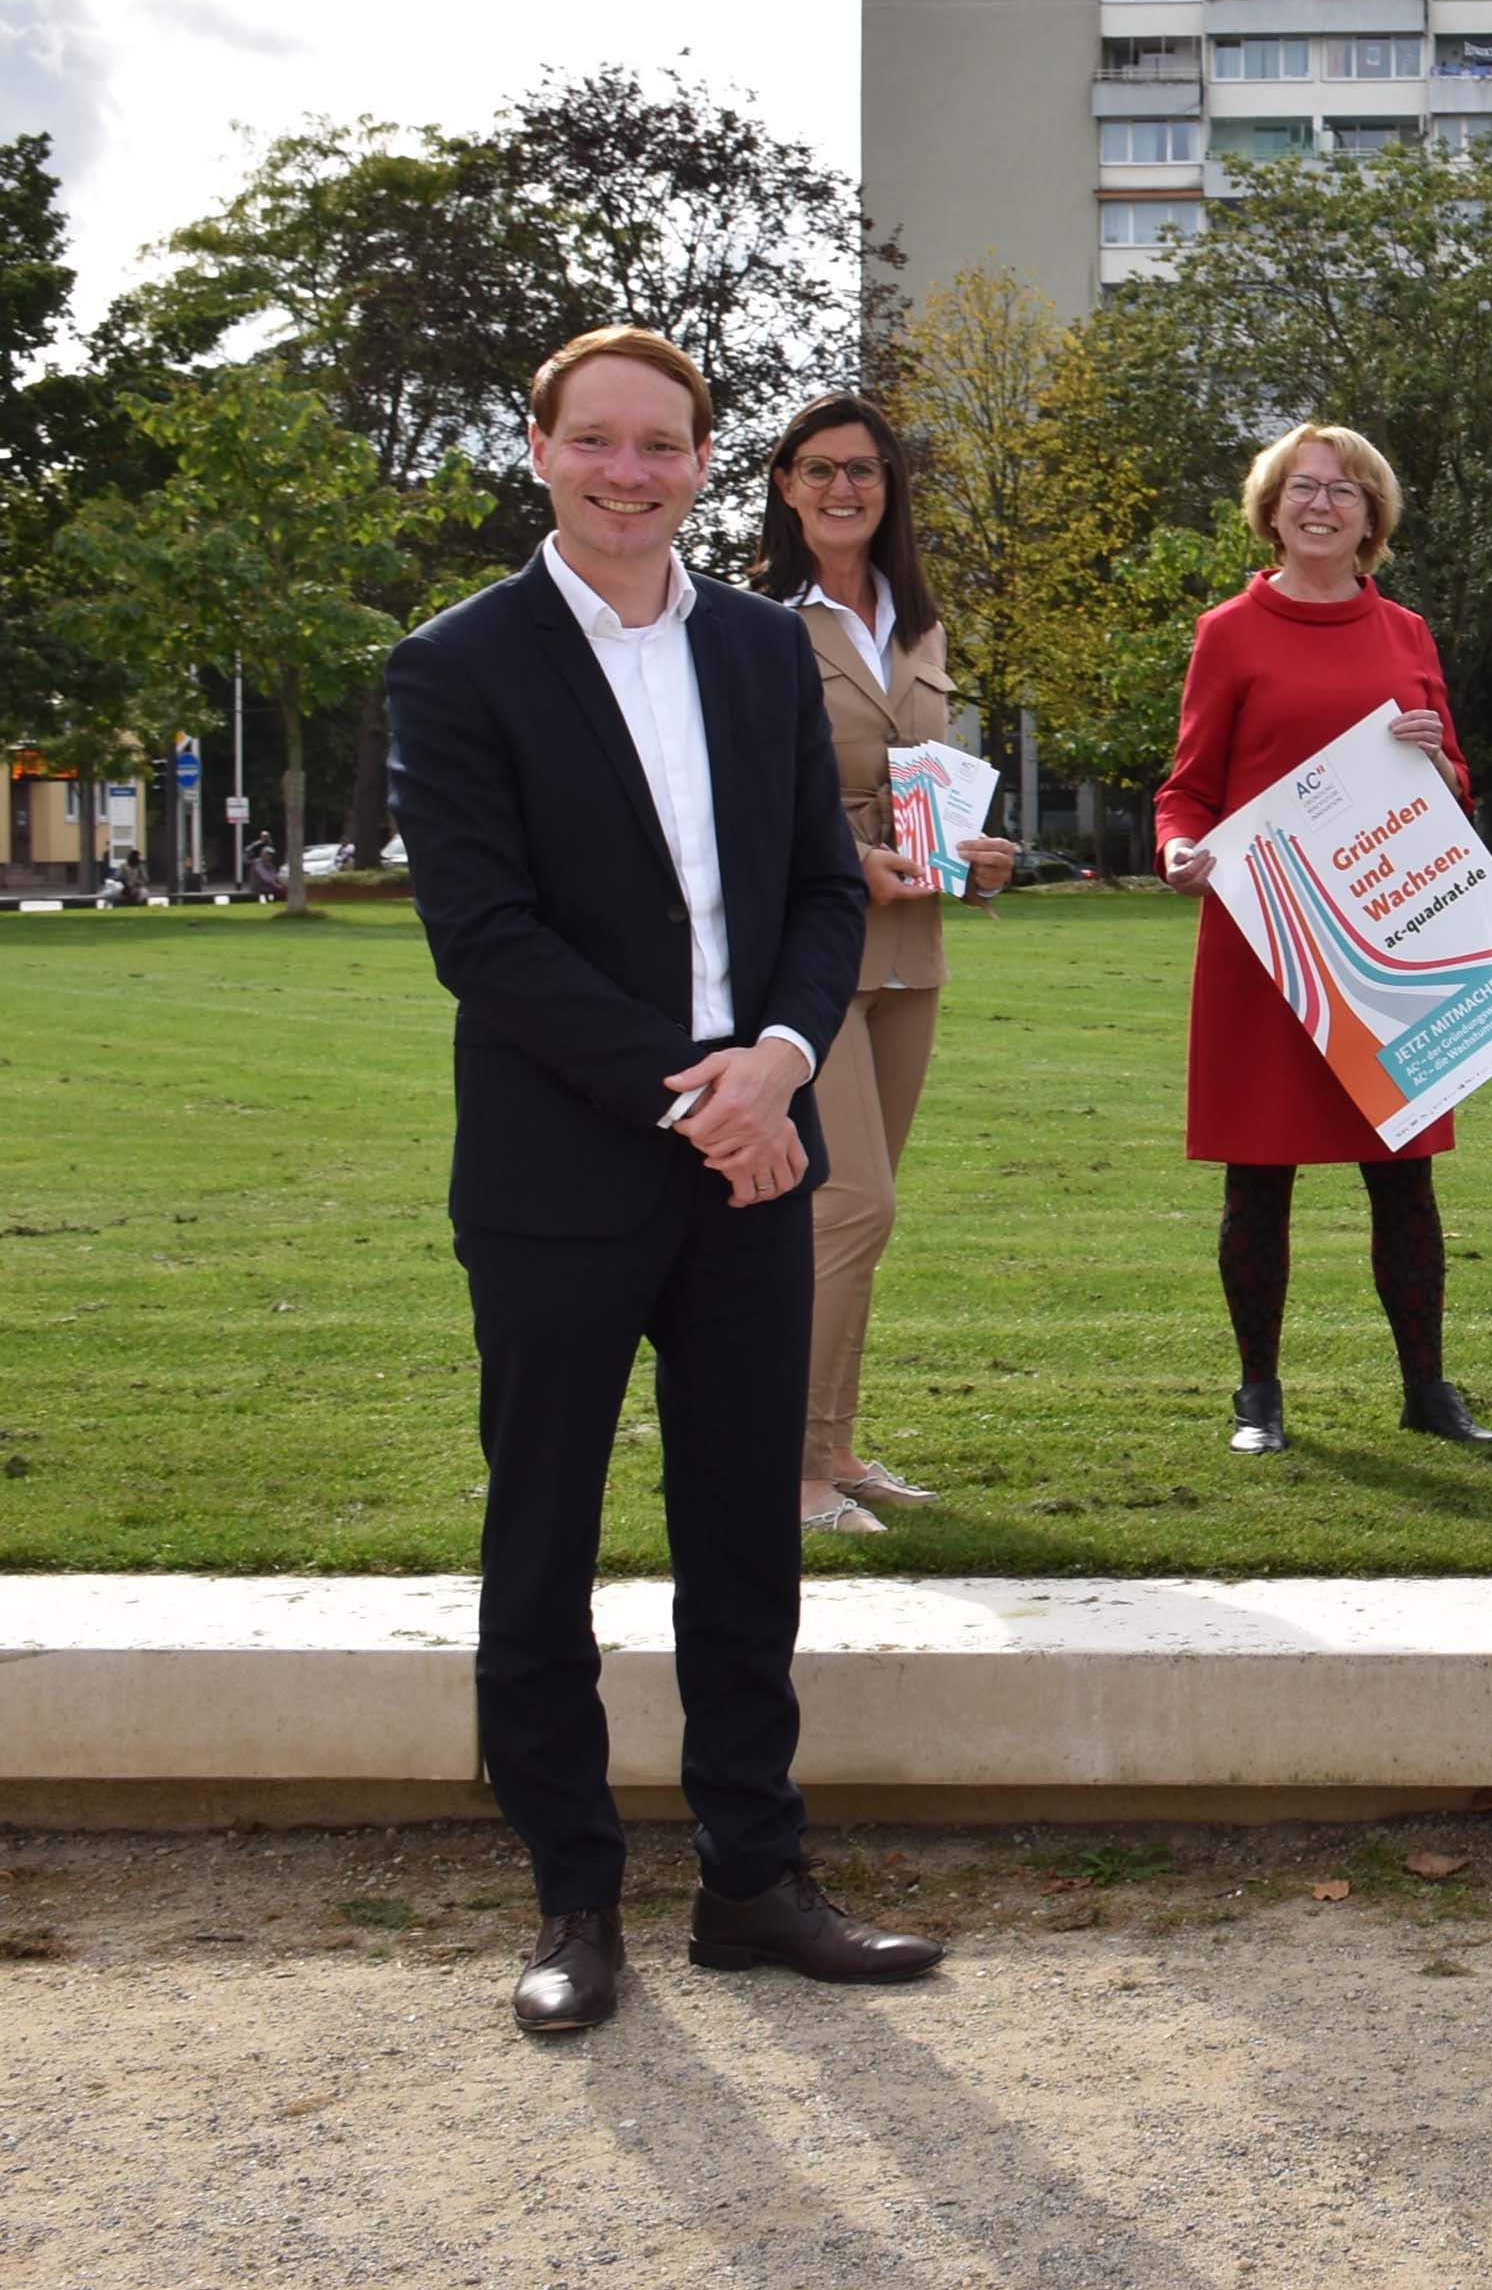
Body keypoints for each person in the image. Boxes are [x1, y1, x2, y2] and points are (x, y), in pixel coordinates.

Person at [383, 325, 942, 2038]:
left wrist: (779, 1053)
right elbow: (483, 938)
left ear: (706, 459)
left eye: (663, 442)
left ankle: (754, 1881)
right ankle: (572, 1898)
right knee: (541, 1539)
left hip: (762, 1141)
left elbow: (816, 888)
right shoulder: (458, 662)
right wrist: (696, 1093)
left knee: (741, 1542)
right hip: (570, 1163)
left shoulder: (766, 649)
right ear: (540, 446)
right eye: (597, 441)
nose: (630, 472)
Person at [1153, 423, 1492, 1456]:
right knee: (1258, 1175)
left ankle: (1426, 1388)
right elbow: (1188, 789)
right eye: (1301, 487)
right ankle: (1257, 1393)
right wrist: (1177, 849)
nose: (1321, 502)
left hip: (1386, 937)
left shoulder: (1408, 632)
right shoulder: (1228, 631)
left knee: (1405, 1177)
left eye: (1345, 489)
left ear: (1372, 515)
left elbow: (1455, 788)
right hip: (1265, 943)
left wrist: (1439, 768)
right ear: (1271, 508)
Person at [754, 392, 1017, 1536]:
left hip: (912, 937)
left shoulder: (920, 625)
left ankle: (837, 1448)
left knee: (868, 1211)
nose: (842, 489)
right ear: (783, 485)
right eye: (818, 470)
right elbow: (751, 795)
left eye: (861, 469)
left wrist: (978, 857)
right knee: (846, 1201)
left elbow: (927, 782)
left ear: (888, 484)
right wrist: (853, 858)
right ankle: (790, 1473)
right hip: (808, 933)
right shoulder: (752, 618)